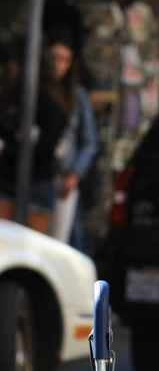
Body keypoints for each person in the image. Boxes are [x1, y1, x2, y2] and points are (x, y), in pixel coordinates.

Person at [0, 42, 66, 234]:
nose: (11, 66)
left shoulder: (48, 104)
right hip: (7, 179)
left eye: (15, 61)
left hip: (37, 183)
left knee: (31, 248)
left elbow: (46, 148)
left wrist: (7, 152)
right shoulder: (12, 98)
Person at [47, 27, 98, 249]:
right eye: (55, 58)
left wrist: (74, 173)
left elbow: (90, 141)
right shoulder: (36, 90)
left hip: (64, 177)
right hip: (40, 175)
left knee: (66, 240)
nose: (59, 65)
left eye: (65, 60)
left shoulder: (77, 96)